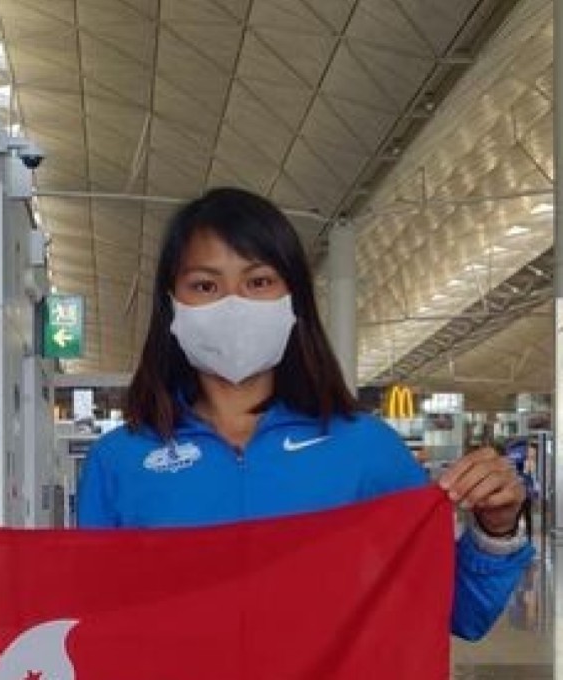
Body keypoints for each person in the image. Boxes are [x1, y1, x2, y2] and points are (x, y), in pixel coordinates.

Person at [76, 186, 533, 641]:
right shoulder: (120, 461)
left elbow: (459, 612)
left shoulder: (365, 449)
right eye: (204, 285)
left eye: (258, 282)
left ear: (292, 299)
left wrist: (496, 529)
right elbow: (93, 624)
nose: (233, 304)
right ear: (171, 304)